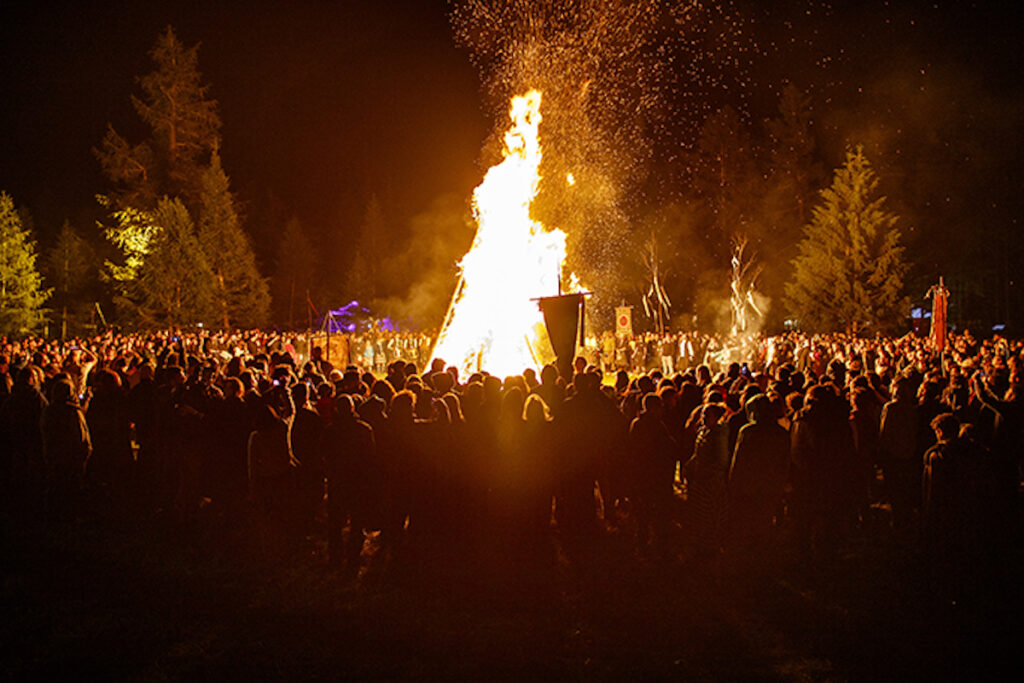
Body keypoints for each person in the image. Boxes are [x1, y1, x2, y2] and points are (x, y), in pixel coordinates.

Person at [729, 395, 789, 557]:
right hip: (771, 484)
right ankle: (765, 553)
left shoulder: (748, 431)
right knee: (766, 520)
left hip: (750, 485)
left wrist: (733, 483)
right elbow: (785, 461)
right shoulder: (780, 432)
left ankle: (751, 556)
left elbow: (739, 460)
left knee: (749, 520)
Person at [321, 396, 375, 572]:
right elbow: (370, 456)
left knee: (335, 522)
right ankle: (353, 556)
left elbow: (324, 455)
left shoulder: (330, 431)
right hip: (357, 481)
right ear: (352, 408)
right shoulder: (363, 429)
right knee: (357, 520)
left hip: (338, 480)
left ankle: (335, 557)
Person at [41, 379, 92, 528]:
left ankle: (52, 516)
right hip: (71, 456)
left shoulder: (49, 410)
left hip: (54, 455)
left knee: (55, 485)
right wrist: (85, 453)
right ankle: (69, 517)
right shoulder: (72, 412)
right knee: (71, 488)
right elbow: (81, 435)